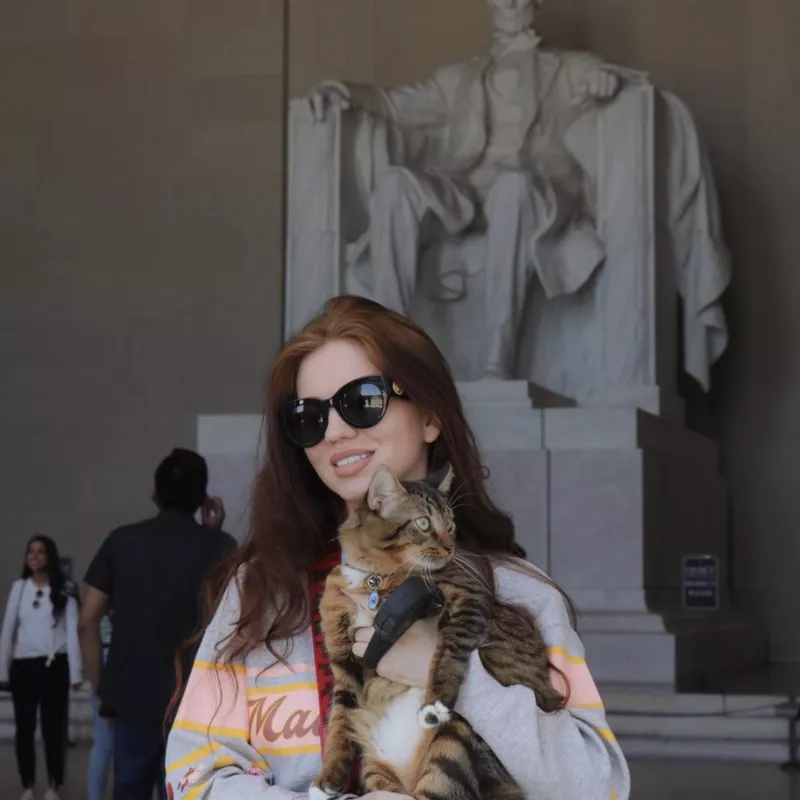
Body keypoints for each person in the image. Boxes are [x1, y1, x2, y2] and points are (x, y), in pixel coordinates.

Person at [165, 295, 630, 800]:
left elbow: (598, 787)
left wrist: (458, 676)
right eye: (309, 417)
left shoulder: (523, 592)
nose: (336, 432)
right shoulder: (261, 591)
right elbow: (194, 777)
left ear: (430, 416)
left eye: (362, 400)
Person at [307, 0, 622, 378]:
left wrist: (606, 80)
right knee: (396, 185)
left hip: (531, 190)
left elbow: (613, 77)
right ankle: (388, 345)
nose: (509, 3)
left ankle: (499, 353)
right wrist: (341, 90)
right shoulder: (458, 77)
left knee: (513, 187)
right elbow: (395, 104)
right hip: (465, 189)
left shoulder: (570, 66)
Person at [79, 448, 237, 800]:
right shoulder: (222, 548)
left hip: (132, 698)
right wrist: (215, 534)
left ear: (155, 493)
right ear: (202, 498)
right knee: (184, 791)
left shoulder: (121, 542)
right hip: (196, 704)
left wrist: (103, 689)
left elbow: (86, 620)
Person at [0, 536, 83, 800]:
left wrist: (75, 673)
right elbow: (8, 631)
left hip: (53, 666)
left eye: (40, 552)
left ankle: (54, 784)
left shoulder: (64, 590)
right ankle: (27, 784)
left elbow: (72, 634)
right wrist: (3, 670)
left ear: (50, 557)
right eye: (30, 552)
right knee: (24, 730)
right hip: (24, 667)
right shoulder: (19, 588)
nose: (34, 556)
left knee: (52, 729)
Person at [86, 613, 114, 800]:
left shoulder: (103, 587)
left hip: (103, 652)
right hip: (125, 653)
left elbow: (85, 624)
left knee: (103, 743)